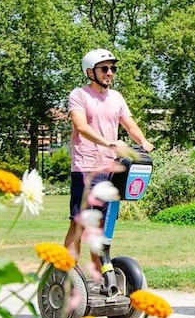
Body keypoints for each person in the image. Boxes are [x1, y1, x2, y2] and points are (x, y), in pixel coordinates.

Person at [64, 48, 154, 272]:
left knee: (101, 227)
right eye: (104, 68)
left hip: (109, 168)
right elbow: (81, 126)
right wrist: (108, 143)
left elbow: (129, 124)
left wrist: (143, 141)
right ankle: (64, 274)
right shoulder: (79, 95)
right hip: (86, 168)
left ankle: (98, 278)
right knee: (80, 222)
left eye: (112, 68)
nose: (110, 72)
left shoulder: (116, 97)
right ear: (90, 72)